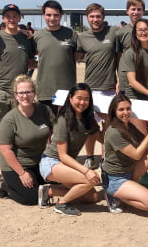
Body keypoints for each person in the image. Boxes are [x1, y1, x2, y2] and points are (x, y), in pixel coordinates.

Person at [39, 83, 104, 216]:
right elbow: (62, 156)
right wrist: (86, 171)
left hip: (67, 164)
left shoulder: (88, 119)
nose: (82, 102)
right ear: (70, 98)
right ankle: (62, 204)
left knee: (92, 197)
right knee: (89, 179)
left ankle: (50, 191)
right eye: (78, 98)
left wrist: (108, 119)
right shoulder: (63, 119)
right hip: (52, 162)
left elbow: (103, 139)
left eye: (86, 99)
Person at [0, 76, 54, 207]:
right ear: (15, 95)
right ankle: (2, 184)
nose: (25, 96)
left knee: (59, 183)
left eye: (28, 92)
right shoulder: (9, 120)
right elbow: (5, 150)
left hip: (39, 162)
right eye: (21, 93)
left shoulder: (44, 110)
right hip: (17, 165)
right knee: (30, 198)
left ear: (34, 93)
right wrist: (22, 173)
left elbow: (52, 132)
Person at [101, 95, 148, 213]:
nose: (126, 112)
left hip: (130, 170)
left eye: (128, 109)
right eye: (121, 110)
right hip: (116, 178)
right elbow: (137, 155)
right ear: (114, 111)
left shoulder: (128, 126)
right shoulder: (114, 132)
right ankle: (113, 193)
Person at [75, 3, 116, 166]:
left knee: (108, 126)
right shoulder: (82, 37)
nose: (95, 19)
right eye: (92, 16)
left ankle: (105, 157)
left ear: (103, 17)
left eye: (98, 16)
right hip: (90, 88)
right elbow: (74, 55)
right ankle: (90, 157)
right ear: (87, 18)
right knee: (89, 126)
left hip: (109, 88)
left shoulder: (113, 32)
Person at [0, 3, 36, 129]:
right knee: (2, 128)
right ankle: (2, 150)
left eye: (15, 16)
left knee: (20, 127)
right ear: (3, 19)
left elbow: (31, 61)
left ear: (20, 18)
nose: (11, 19)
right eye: (8, 16)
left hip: (20, 91)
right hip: (0, 89)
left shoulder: (26, 38)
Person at [32, 0, 77, 107]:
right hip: (45, 90)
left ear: (61, 16)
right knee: (47, 122)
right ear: (43, 16)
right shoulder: (37, 36)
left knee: (65, 122)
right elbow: (29, 59)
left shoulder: (72, 34)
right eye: (49, 15)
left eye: (56, 15)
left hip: (66, 89)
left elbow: (79, 55)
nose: (52, 18)